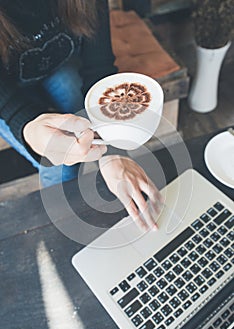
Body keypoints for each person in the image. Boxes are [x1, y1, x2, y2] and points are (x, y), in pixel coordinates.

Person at [0, 0, 162, 231]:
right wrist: (27, 125)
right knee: (55, 161)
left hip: (54, 65)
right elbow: (8, 102)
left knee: (77, 111)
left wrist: (113, 152)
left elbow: (99, 68)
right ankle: (63, 219)